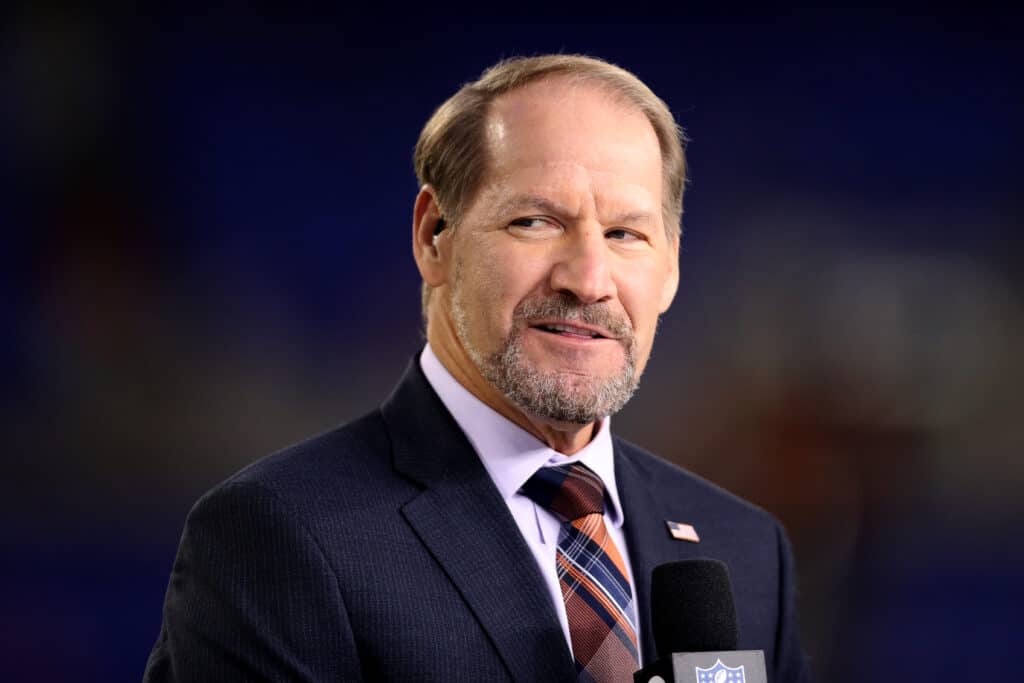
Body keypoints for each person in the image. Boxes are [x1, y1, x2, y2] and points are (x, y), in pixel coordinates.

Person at [143, 54, 810, 682]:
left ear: (671, 268)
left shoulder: (745, 549)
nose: (588, 279)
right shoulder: (278, 534)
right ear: (435, 235)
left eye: (625, 234)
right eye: (536, 221)